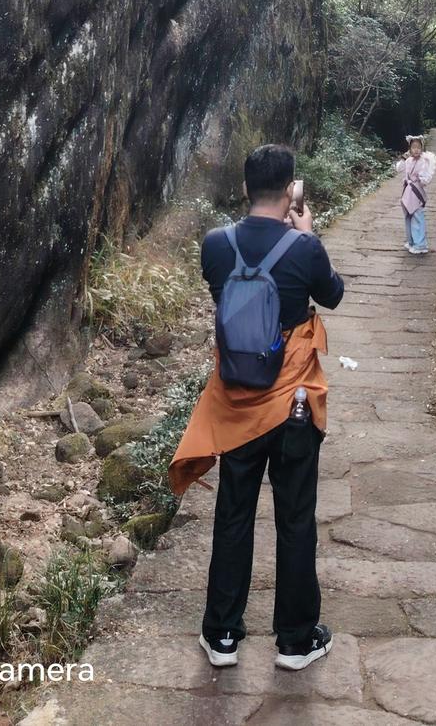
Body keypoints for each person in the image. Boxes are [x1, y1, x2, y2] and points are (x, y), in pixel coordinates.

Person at [170, 143, 344, 674]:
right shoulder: (304, 247)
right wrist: (307, 236)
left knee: (233, 515)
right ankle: (294, 640)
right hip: (292, 400)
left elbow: (223, 296)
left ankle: (222, 635)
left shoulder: (215, 245)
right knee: (295, 519)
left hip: (236, 404)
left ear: (245, 188)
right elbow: (332, 295)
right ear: (291, 188)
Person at [396, 133, 436, 255]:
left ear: (422, 148)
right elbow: (398, 169)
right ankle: (411, 241)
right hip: (407, 191)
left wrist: (422, 176)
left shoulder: (424, 161)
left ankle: (420, 244)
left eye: (419, 147)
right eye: (413, 147)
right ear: (410, 148)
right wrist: (403, 158)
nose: (416, 150)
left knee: (417, 216)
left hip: (416, 191)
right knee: (408, 215)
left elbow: (425, 180)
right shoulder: (408, 160)